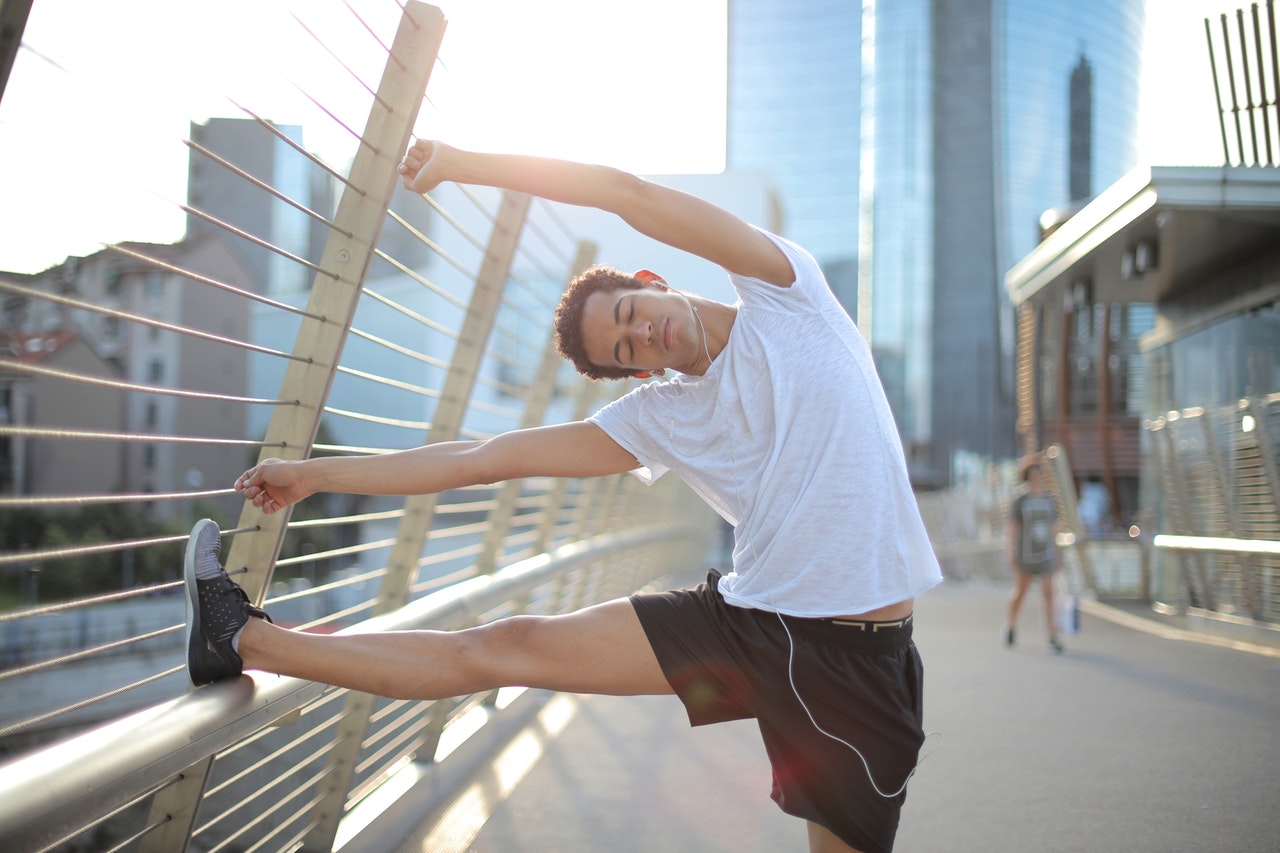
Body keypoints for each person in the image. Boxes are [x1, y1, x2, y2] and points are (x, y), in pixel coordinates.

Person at [184, 140, 943, 853]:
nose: (643, 335)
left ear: (650, 283)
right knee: (502, 647)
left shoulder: (789, 294)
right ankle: (244, 638)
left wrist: (463, 164)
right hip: (752, 620)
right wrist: (318, 474)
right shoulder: (661, 415)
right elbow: (483, 459)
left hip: (860, 656)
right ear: (639, 375)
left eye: (628, 316)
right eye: (627, 351)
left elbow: (625, 192)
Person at [1004, 456, 1064, 654]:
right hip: (1026, 552)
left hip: (1045, 551)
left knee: (1048, 592)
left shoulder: (1049, 499)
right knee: (1021, 590)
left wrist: (1058, 552)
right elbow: (1012, 528)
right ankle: (1011, 625)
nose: (1036, 477)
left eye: (1039, 473)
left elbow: (1055, 528)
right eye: (1033, 474)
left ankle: (1052, 635)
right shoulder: (1020, 499)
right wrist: (1011, 552)